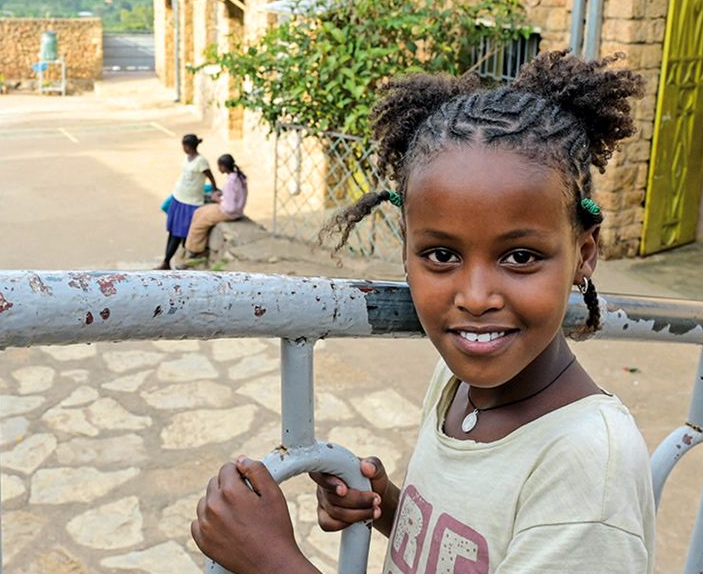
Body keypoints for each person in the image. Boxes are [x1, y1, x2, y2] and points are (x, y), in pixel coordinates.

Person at [190, 50, 655, 572]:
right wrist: (389, 503)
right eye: (442, 255)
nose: (476, 298)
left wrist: (274, 563)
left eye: (520, 257)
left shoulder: (590, 469)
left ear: (584, 253)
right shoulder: (458, 380)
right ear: (406, 247)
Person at [158, 133, 217, 270]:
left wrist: (214, 189)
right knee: (174, 232)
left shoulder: (201, 161)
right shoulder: (188, 158)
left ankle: (169, 261)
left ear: (188, 146)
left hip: (191, 202)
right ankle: (167, 261)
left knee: (180, 234)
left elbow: (210, 176)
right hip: (179, 197)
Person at [185, 154, 248, 258]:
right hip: (234, 209)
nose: (218, 169)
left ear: (223, 167)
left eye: (219, 166)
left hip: (229, 212)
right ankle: (195, 246)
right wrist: (222, 197)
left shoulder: (230, 183)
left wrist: (217, 199)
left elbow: (230, 207)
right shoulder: (238, 177)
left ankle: (196, 250)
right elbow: (233, 198)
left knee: (200, 222)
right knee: (198, 212)